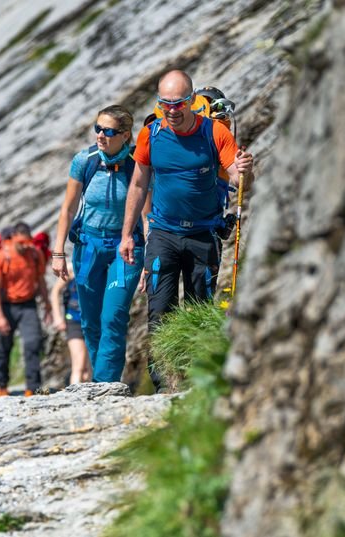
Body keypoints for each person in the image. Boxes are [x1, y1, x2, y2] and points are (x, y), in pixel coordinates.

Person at [119, 70, 254, 391]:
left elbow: (238, 178)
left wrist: (246, 170)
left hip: (203, 236)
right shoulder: (150, 135)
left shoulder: (215, 132)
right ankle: (164, 384)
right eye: (165, 103)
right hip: (162, 235)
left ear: (192, 101)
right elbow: (138, 184)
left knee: (200, 310)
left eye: (178, 103)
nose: (172, 110)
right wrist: (127, 234)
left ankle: (197, 380)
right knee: (159, 311)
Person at [52, 105, 147, 384]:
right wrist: (58, 253)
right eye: (98, 129)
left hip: (126, 247)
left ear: (125, 135)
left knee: (113, 317)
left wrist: (150, 260)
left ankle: (106, 384)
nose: (100, 136)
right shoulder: (85, 161)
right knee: (90, 321)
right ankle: (98, 382)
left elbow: (146, 213)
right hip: (88, 246)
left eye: (108, 131)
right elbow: (67, 210)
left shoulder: (138, 163)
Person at [0, 222, 51, 398]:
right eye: (21, 242)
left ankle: (33, 387)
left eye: (28, 242)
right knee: (4, 346)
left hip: (28, 305)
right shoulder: (2, 257)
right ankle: (1, 385)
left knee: (33, 343)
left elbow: (41, 281)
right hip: (7, 305)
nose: (25, 246)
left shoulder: (35, 254)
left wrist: (47, 304)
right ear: (13, 238)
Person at [50, 264, 91, 384]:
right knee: (79, 365)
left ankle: (89, 398)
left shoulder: (99, 266)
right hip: (74, 321)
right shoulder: (71, 269)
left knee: (89, 368)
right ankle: (76, 397)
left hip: (92, 322)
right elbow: (55, 292)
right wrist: (58, 317)